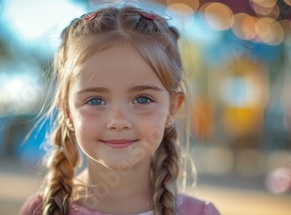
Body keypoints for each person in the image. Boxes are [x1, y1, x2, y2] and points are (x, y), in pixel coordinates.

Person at [20, 5, 220, 215]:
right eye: (95, 101)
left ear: (172, 109)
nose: (118, 121)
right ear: (67, 112)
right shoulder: (38, 210)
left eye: (142, 99)